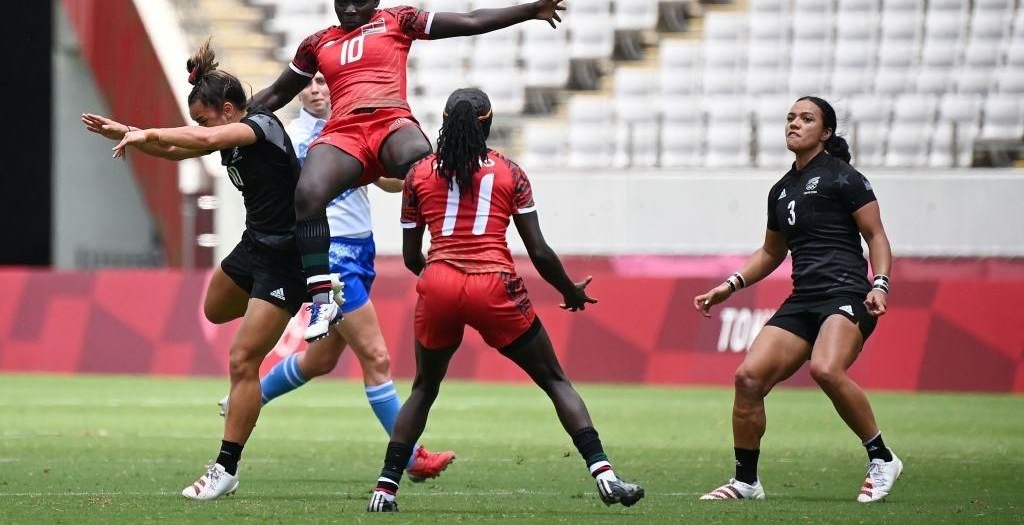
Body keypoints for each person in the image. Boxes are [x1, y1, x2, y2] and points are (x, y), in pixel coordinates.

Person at [246, 0, 572, 343]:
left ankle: (453, 261)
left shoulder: (398, 20)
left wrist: (530, 8)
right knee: (306, 191)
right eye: (342, 3)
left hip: (390, 122)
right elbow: (274, 96)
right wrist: (231, 118)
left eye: (359, 3)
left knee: (429, 169)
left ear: (375, 0)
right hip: (343, 134)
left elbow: (471, 21)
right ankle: (321, 297)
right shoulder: (317, 43)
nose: (350, 11)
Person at [364, 88, 645, 513]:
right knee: (554, 380)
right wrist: (569, 291)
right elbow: (539, 252)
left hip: (438, 281)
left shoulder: (419, 174)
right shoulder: (509, 172)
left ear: (444, 121)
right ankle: (604, 476)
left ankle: (384, 491)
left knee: (423, 388)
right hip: (494, 285)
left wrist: (440, 280)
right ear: (488, 124)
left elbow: (408, 257)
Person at [82, 39, 308, 500]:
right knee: (214, 308)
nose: (199, 127)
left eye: (203, 118)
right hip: (255, 246)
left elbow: (202, 139)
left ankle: (226, 468)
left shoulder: (259, 126)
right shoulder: (226, 133)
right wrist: (130, 132)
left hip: (287, 256)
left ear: (228, 111)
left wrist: (145, 131)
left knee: (243, 361)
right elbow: (180, 150)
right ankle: (273, 323)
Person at [228, 71, 454, 480]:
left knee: (321, 359)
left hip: (360, 250)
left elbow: (385, 181)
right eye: (309, 83)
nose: (316, 89)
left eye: (322, 81)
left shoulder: (353, 130)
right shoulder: (293, 137)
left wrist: (413, 167)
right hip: (330, 255)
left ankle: (247, 398)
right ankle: (411, 458)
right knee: (377, 357)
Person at [693, 96, 902, 504]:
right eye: (790, 117)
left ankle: (882, 458)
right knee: (747, 379)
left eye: (806, 119)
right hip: (804, 298)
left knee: (826, 368)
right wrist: (730, 285)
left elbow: (876, 236)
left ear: (825, 133)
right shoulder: (781, 190)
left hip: (847, 293)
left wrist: (880, 284)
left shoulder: (845, 178)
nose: (794, 124)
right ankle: (746, 483)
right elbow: (772, 253)